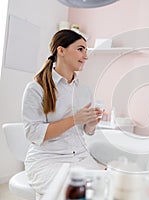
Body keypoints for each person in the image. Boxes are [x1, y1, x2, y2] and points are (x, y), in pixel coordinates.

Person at [22, 29, 104, 198]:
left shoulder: (83, 90)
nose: (85, 56)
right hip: (47, 160)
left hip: (80, 157)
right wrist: (75, 119)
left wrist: (90, 123)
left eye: (86, 51)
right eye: (80, 49)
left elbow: (86, 132)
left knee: (102, 190)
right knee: (73, 192)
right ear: (61, 51)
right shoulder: (36, 88)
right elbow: (33, 133)